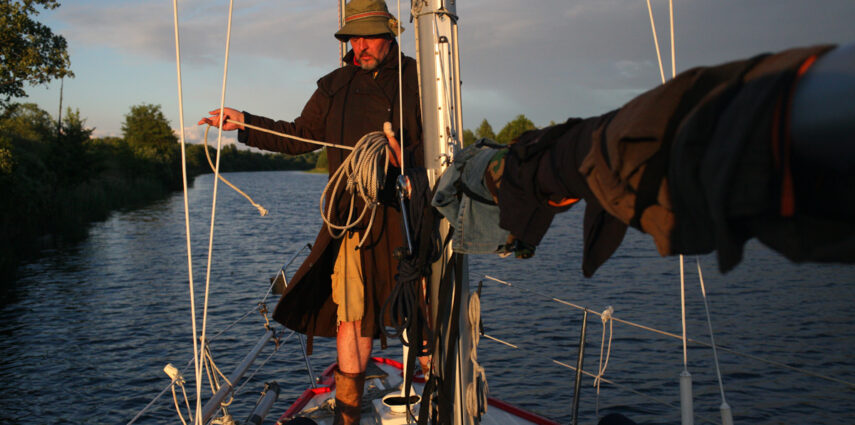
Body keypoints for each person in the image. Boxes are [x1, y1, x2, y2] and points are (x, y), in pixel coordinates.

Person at [198, 1, 422, 423]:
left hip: (410, 216)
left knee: (425, 312)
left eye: (369, 36)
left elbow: (442, 143)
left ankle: (437, 397)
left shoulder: (420, 78)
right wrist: (244, 123)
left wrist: (403, 156)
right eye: (353, 37)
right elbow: (300, 137)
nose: (360, 46)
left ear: (390, 34)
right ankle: (349, 416)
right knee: (351, 318)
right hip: (354, 220)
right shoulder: (335, 86)